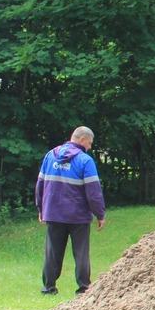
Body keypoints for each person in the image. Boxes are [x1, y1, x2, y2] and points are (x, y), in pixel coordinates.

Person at [35, 126, 106, 295]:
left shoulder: (50, 156)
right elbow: (93, 191)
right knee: (81, 252)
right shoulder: (85, 160)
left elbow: (40, 184)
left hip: (53, 212)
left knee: (52, 252)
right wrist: (100, 213)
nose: (89, 147)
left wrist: (40, 207)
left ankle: (48, 287)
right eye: (89, 143)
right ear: (82, 140)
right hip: (78, 215)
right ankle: (83, 288)